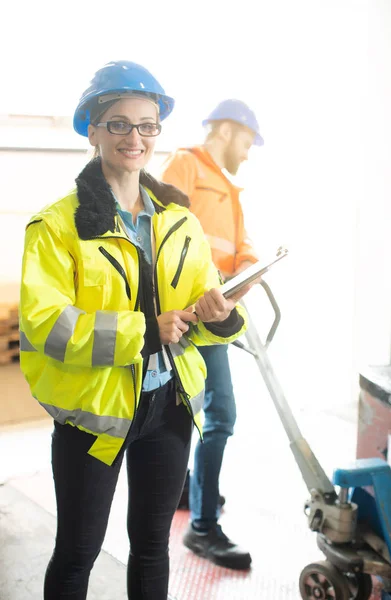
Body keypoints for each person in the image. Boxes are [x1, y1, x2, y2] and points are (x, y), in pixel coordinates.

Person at [19, 62, 250, 600]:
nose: (135, 138)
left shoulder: (179, 220)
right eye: (119, 124)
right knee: (78, 551)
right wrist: (144, 332)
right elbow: (47, 325)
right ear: (92, 130)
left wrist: (222, 316)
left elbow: (196, 316)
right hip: (93, 416)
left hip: (169, 408)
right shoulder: (56, 226)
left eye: (147, 126)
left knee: (152, 547)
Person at [160, 99, 263, 570]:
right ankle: (202, 529)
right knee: (219, 413)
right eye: (247, 140)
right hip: (184, 314)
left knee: (192, 407)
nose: (248, 151)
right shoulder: (186, 165)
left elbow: (243, 248)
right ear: (227, 129)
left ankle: (188, 492)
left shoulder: (230, 190)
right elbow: (160, 229)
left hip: (215, 316)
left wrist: (248, 268)